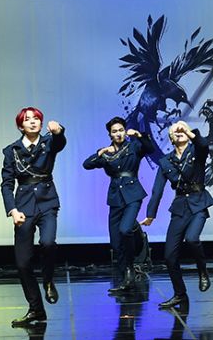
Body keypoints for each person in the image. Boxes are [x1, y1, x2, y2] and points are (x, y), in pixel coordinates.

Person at [0, 107, 66, 327]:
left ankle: (48, 281)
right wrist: (12, 210)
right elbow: (6, 184)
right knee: (22, 262)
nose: (33, 121)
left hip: (47, 201)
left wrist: (59, 131)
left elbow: (60, 142)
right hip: (23, 206)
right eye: (27, 119)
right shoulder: (12, 150)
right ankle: (36, 309)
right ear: (21, 126)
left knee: (48, 242)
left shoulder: (49, 142)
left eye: (36, 118)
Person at [141, 121, 213, 308]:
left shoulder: (196, 151)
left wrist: (189, 131)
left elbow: (203, 144)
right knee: (169, 256)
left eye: (182, 130)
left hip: (198, 203)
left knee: (192, 238)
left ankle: (202, 270)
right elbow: (157, 189)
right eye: (175, 131)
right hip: (180, 206)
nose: (179, 132)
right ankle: (180, 294)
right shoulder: (166, 161)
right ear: (171, 138)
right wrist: (150, 214)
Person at [82, 116, 154, 293]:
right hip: (115, 197)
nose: (118, 134)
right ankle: (126, 279)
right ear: (110, 134)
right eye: (114, 131)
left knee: (125, 229)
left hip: (133, 194)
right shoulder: (107, 153)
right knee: (116, 242)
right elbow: (87, 164)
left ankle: (130, 268)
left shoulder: (134, 146)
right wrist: (100, 152)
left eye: (121, 130)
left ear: (125, 131)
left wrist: (139, 135)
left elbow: (150, 148)